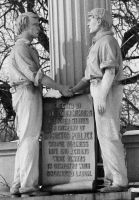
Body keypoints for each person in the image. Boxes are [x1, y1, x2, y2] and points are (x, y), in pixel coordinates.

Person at [7, 12, 71, 197]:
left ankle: (18, 185)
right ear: (25, 24)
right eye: (35, 23)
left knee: (26, 139)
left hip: (29, 93)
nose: (39, 26)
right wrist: (60, 88)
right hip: (26, 93)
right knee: (30, 139)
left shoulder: (28, 48)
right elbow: (37, 76)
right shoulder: (21, 48)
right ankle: (28, 187)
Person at [70, 8, 128, 192]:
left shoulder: (107, 41)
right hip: (99, 88)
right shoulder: (97, 44)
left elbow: (110, 71)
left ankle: (119, 181)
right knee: (104, 137)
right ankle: (112, 179)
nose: (88, 23)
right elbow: (88, 77)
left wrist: (102, 96)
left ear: (100, 21)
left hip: (107, 90)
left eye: (90, 20)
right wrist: (72, 90)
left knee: (110, 135)